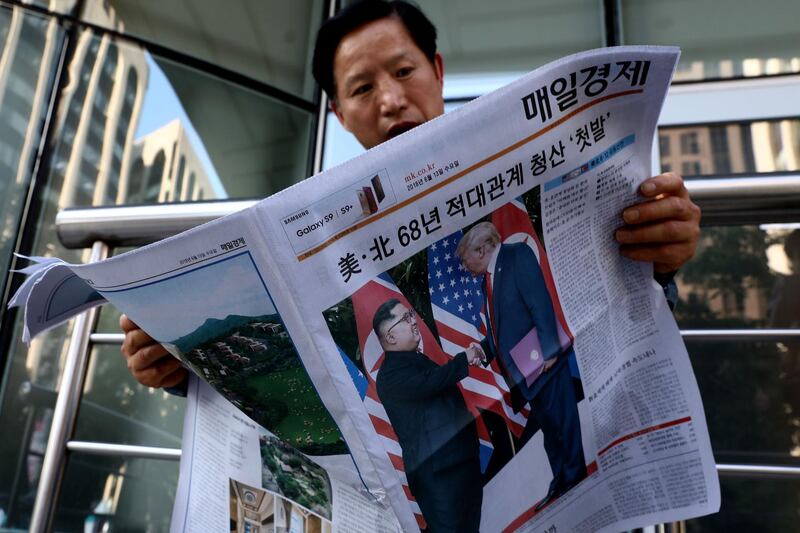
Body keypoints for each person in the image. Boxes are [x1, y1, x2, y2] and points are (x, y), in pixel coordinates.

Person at [121, 0, 700, 421]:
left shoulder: (533, 174)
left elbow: (616, 309)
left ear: (438, 71)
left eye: (403, 72)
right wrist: (177, 368)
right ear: (340, 114)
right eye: (363, 88)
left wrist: (659, 255)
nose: (392, 100)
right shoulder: (313, 237)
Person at [457, 222, 585, 511]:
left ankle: (576, 478)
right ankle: (561, 481)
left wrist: (550, 349)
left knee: (564, 423)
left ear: (481, 250)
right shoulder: (488, 278)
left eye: (466, 261)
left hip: (545, 361)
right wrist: (482, 349)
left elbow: (539, 303)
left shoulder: (516, 256)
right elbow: (501, 330)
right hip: (527, 372)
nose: (466, 268)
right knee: (550, 431)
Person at [373, 299, 483, 532]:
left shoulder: (415, 359)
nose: (414, 321)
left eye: (411, 314)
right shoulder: (390, 375)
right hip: (438, 477)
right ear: (390, 338)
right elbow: (429, 383)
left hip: (460, 463)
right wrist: (466, 357)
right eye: (405, 318)